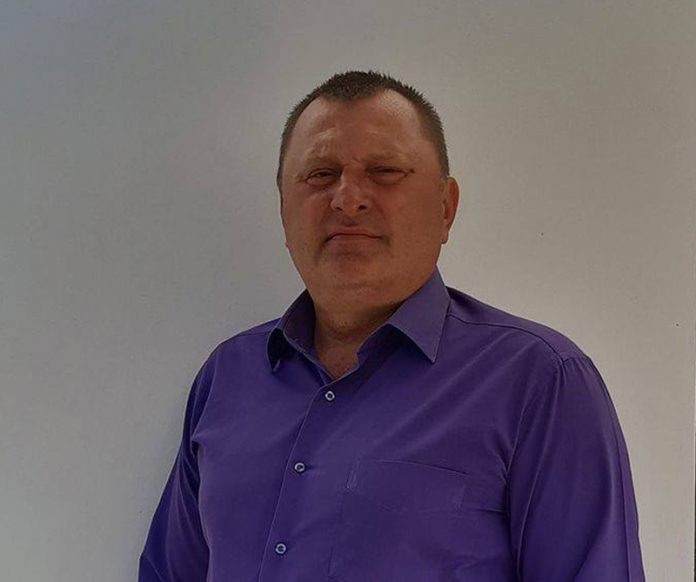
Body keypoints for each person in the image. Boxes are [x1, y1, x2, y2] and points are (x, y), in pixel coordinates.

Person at [138, 70, 645, 581]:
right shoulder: (227, 376)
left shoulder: (540, 381)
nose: (347, 198)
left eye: (384, 171)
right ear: (284, 209)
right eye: (320, 174)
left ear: (445, 208)